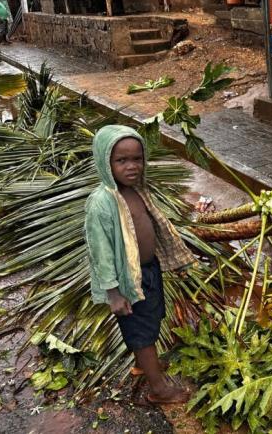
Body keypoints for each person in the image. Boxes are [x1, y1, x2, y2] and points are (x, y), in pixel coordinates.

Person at [85, 125, 197, 404]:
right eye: (121, 161)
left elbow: (157, 227)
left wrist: (176, 261)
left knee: (151, 320)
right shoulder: (101, 203)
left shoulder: (137, 190)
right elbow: (101, 253)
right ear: (104, 162)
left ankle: (142, 365)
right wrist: (113, 293)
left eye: (137, 159)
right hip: (126, 283)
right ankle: (158, 390)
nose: (132, 166)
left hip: (148, 272)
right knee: (141, 331)